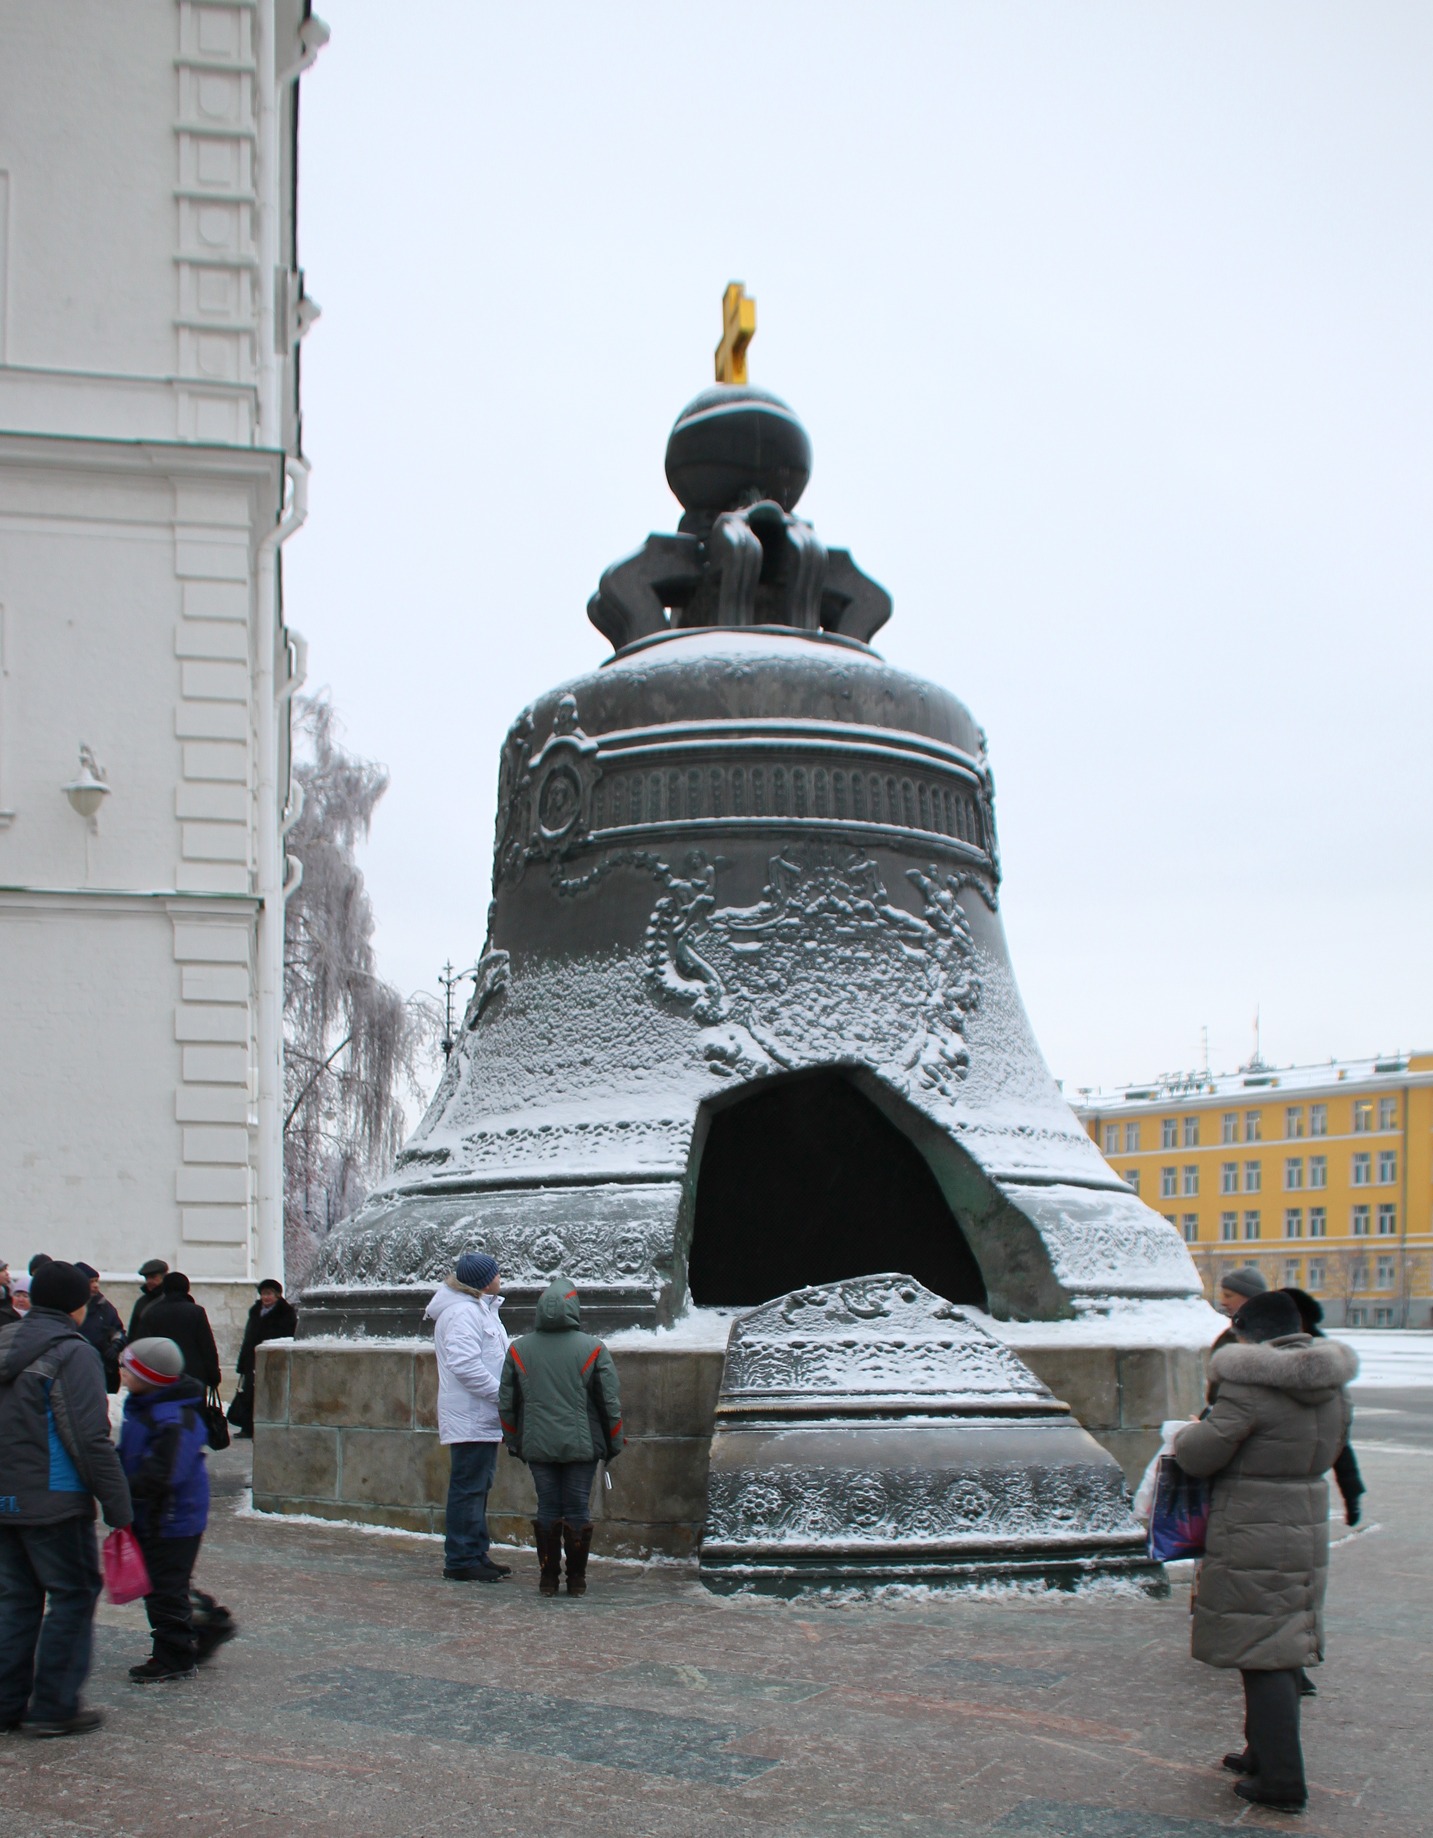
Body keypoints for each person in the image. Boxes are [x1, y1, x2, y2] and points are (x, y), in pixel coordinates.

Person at [1173, 1288, 1357, 1814]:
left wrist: (1191, 1431)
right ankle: (1261, 1753)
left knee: (1265, 1654)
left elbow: (1202, 1455)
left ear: (1248, 1333)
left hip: (1252, 1522)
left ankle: (1281, 1779)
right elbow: (1338, 1445)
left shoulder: (1248, 1386)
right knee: (1274, 1638)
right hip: (1302, 1517)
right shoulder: (1334, 1384)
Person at [0, 1260, 133, 1738]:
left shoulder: (7, 1341)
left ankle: (6, 1703)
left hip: (6, 1499)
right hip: (53, 1500)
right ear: (78, 1306)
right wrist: (118, 1505)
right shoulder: (71, 1353)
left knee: (16, 1600)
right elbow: (89, 1437)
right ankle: (53, 1706)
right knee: (73, 1595)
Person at [499, 1275, 623, 1598]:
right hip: (582, 1447)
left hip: (538, 1446)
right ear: (574, 1308)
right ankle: (577, 1580)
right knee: (578, 1509)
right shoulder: (594, 1349)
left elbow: (507, 1404)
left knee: (548, 1508)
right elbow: (609, 1402)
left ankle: (548, 1578)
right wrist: (613, 1443)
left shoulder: (519, 1349)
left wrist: (513, 1441)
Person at [115, 1338, 216, 1683]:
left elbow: (166, 1471)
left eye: (128, 1368)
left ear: (151, 1377)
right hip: (156, 1516)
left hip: (173, 1518)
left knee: (164, 1587)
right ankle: (205, 1624)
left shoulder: (175, 1416)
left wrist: (126, 1488)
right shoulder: (146, 1406)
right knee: (165, 1582)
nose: (122, 1373)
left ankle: (174, 1655)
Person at [426, 1252, 511, 1583]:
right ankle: (461, 1557)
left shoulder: (479, 1309)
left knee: (478, 1485)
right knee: (468, 1487)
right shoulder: (463, 1313)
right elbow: (464, 1365)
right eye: (496, 1272)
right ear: (483, 1281)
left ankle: (475, 1551)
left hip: (482, 1417)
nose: (500, 1276)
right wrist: (501, 1394)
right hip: (471, 1417)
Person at [229, 1279, 298, 1438]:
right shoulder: (255, 1311)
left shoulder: (286, 1313)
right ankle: (247, 1427)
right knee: (249, 1394)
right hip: (252, 1359)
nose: (266, 1297)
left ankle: (270, 1425)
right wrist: (242, 1363)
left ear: (277, 1295)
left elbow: (288, 1336)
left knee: (270, 1394)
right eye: (263, 1294)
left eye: (269, 1294)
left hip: (274, 1360)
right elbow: (248, 1339)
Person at [136, 1272, 220, 1390]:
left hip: (161, 1377)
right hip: (193, 1378)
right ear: (187, 1288)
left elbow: (142, 1345)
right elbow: (207, 1347)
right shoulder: (196, 1312)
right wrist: (213, 1375)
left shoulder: (152, 1312)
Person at [73, 1263, 127, 1394]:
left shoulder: (104, 1307)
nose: (95, 1285)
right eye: (91, 1282)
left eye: (96, 1281)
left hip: (105, 1369)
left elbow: (118, 1331)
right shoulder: (69, 1306)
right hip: (76, 1369)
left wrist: (115, 1346)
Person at [127, 1260, 169, 1342]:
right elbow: (133, 1332)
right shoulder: (141, 1302)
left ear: (164, 1277)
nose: (149, 1281)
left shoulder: (173, 1300)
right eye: (147, 1278)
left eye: (153, 1277)